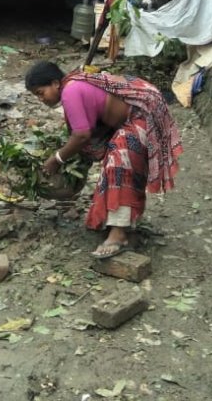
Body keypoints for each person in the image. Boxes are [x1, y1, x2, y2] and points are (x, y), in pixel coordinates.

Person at [24, 61, 182, 259]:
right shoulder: (73, 85)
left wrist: (56, 159)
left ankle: (119, 234)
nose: (41, 99)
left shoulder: (70, 91)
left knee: (120, 161)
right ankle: (120, 221)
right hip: (136, 113)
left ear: (56, 83)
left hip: (142, 114)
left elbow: (82, 135)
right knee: (114, 155)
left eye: (40, 92)